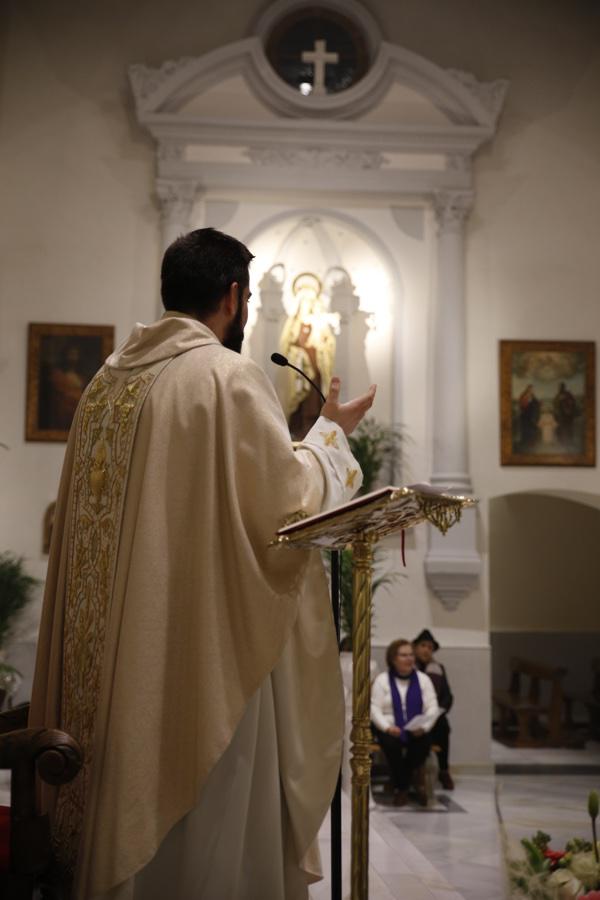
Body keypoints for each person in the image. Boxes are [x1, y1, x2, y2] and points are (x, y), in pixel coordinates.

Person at [29, 228, 376, 900]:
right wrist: (331, 433)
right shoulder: (223, 378)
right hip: (202, 661)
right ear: (234, 296)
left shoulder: (107, 382)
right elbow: (289, 507)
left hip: (115, 668)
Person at [371, 638, 439, 807]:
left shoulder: (423, 680)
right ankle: (405, 787)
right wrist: (387, 728)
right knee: (391, 746)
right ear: (393, 659)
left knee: (422, 745)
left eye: (411, 655)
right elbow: (374, 709)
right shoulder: (382, 680)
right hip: (390, 727)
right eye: (403, 655)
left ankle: (401, 785)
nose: (409, 659)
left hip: (416, 728)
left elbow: (432, 707)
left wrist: (424, 727)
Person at [413, 628, 455, 791]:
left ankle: (443, 770)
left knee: (443, 725)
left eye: (430, 647)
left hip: (434, 716)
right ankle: (415, 771)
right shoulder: (408, 667)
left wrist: (440, 710)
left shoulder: (438, 668)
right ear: (415, 647)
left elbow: (447, 695)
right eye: (423, 645)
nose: (426, 650)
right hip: (413, 715)